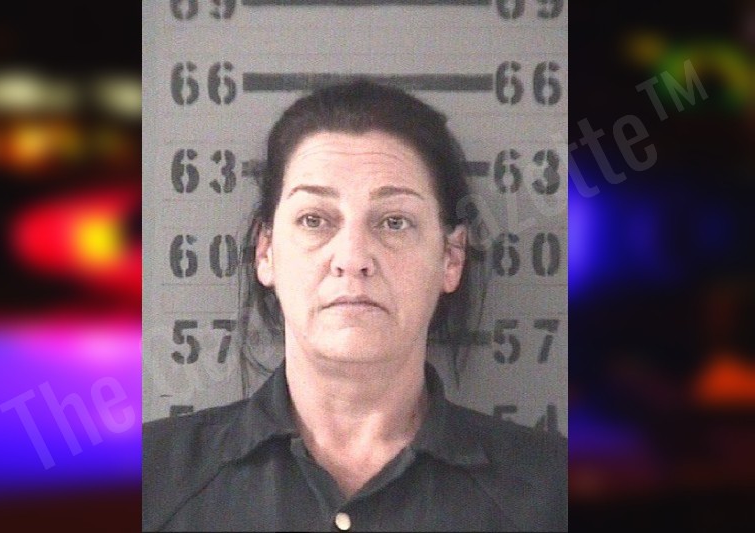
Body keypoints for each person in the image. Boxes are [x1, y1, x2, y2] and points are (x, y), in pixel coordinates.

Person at [143, 79, 567, 532]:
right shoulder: (148, 479)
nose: (352, 257)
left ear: (451, 258)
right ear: (265, 253)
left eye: (394, 222)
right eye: (314, 219)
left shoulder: (553, 492)